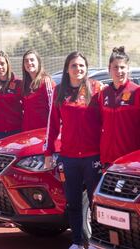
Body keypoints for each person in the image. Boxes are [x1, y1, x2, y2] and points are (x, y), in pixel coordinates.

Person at [43, 51, 103, 249]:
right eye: (74, 66)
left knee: (97, 203)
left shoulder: (96, 88)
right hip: (68, 159)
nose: (78, 69)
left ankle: (96, 241)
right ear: (67, 69)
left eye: (81, 66)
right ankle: (77, 242)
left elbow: (107, 121)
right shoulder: (60, 91)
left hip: (93, 156)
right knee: (74, 203)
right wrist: (48, 153)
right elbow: (52, 125)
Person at [99, 46, 140, 165]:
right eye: (115, 67)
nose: (119, 71)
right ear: (109, 69)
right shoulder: (103, 93)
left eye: (122, 67)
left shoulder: (136, 91)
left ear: (127, 69)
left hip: (129, 160)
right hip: (107, 159)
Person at [21, 49, 55, 131]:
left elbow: (53, 109)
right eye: (26, 61)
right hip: (27, 132)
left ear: (38, 62)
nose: (29, 63)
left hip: (43, 132)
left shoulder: (46, 81)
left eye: (32, 60)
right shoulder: (24, 84)